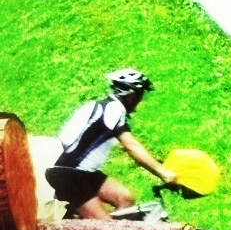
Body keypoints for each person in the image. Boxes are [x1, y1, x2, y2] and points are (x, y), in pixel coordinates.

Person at [45, 69, 176, 219]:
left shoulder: (104, 106)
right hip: (71, 176)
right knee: (106, 227)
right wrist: (163, 173)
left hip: (84, 173)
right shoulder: (114, 110)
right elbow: (131, 146)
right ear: (131, 94)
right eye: (140, 95)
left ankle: (99, 225)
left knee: (125, 198)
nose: (140, 100)